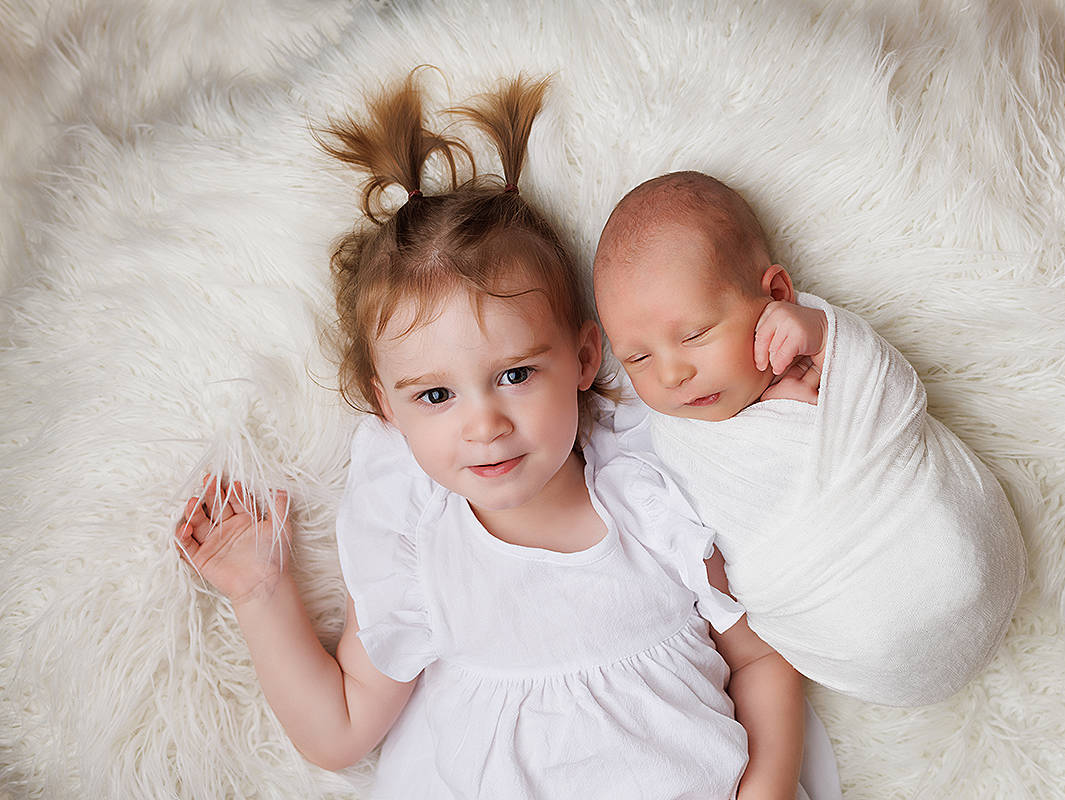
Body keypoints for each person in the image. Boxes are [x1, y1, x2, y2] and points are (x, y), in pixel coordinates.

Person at [175, 75, 842, 799]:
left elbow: (761, 659)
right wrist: (259, 591)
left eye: (516, 375)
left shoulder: (653, 500)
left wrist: (768, 787)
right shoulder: (416, 554)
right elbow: (337, 730)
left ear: (585, 359)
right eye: (436, 395)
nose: (485, 424)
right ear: (389, 411)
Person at [592, 171, 1027, 707]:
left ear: (774, 295)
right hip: (842, 636)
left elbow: (891, 397)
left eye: (695, 334)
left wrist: (826, 334)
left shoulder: (819, 355)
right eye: (638, 357)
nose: (672, 373)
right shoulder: (672, 434)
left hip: (947, 549)